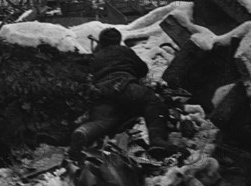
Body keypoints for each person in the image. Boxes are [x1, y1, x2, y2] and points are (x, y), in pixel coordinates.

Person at [69, 28, 177, 158]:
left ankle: (83, 132)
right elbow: (143, 69)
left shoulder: (95, 56)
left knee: (103, 121)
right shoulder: (124, 51)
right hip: (126, 85)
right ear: (118, 40)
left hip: (102, 92)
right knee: (153, 102)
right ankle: (157, 140)